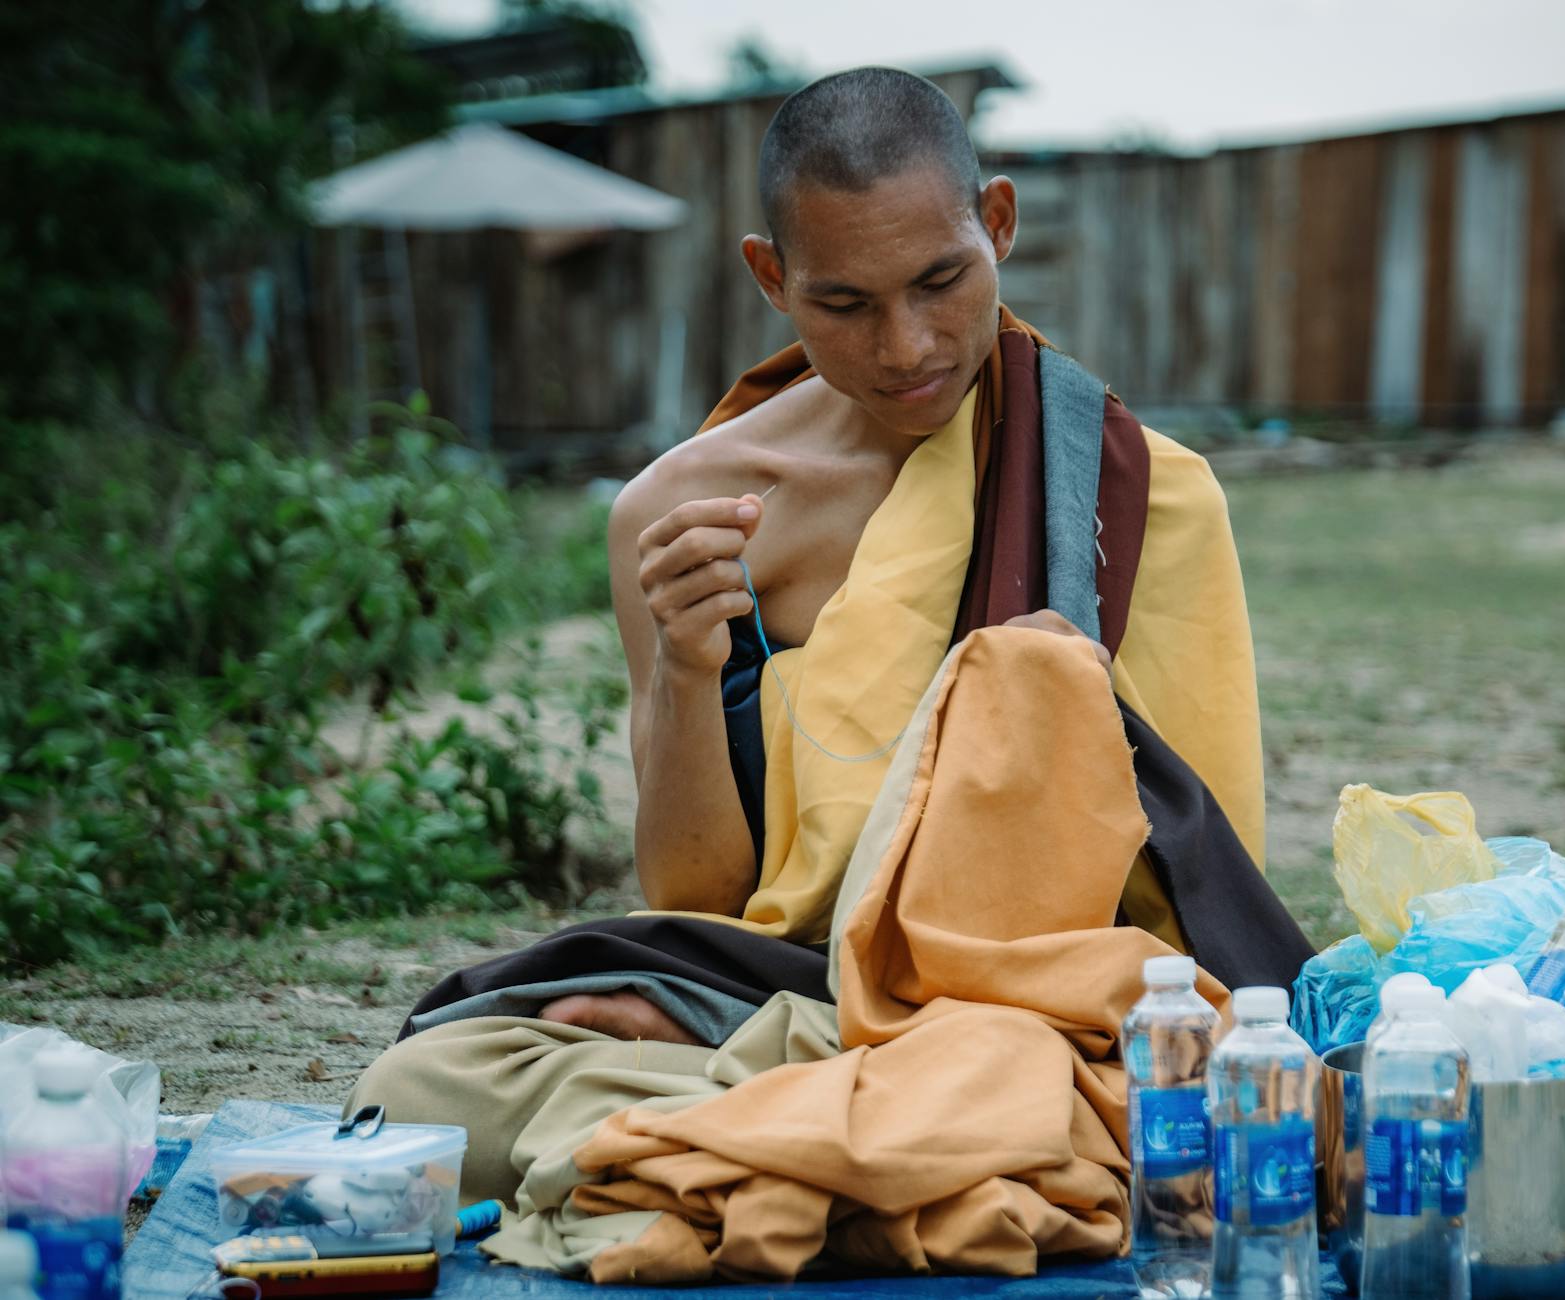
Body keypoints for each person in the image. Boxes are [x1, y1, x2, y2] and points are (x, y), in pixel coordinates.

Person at [346, 66, 1309, 1213]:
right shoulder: (684, 516)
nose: (906, 345)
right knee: (427, 1082)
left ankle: (747, 1132)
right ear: (771, 277)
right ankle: (825, 1137)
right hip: (788, 994)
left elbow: (1185, 916)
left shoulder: (1124, 492)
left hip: (1025, 1011)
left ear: (997, 222)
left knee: (1078, 1080)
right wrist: (689, 670)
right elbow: (696, 891)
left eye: (942, 280)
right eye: (844, 304)